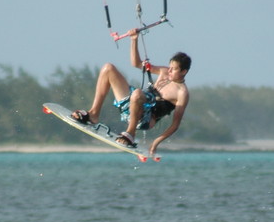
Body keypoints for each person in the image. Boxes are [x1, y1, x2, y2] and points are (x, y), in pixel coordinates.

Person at [70, 29, 191, 158]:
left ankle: (131, 134)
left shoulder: (182, 93)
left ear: (183, 71)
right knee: (108, 68)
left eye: (174, 69)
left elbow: (175, 125)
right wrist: (134, 39)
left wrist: (155, 143)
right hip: (133, 102)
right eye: (170, 67)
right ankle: (93, 114)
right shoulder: (164, 72)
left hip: (145, 118)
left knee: (138, 93)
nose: (169, 71)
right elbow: (136, 63)